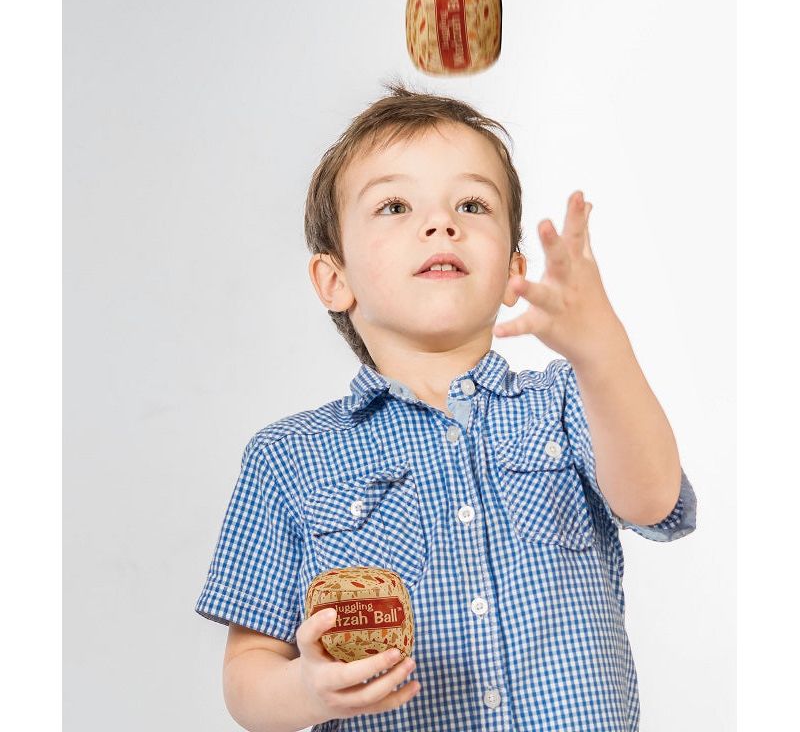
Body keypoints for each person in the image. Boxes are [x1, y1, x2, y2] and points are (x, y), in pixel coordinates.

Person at [194, 80, 698, 732]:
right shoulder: (288, 459)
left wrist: (602, 350)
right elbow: (248, 671)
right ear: (334, 279)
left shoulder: (570, 401)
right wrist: (306, 690)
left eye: (471, 203)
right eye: (396, 205)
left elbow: (655, 500)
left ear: (514, 267)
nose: (442, 223)